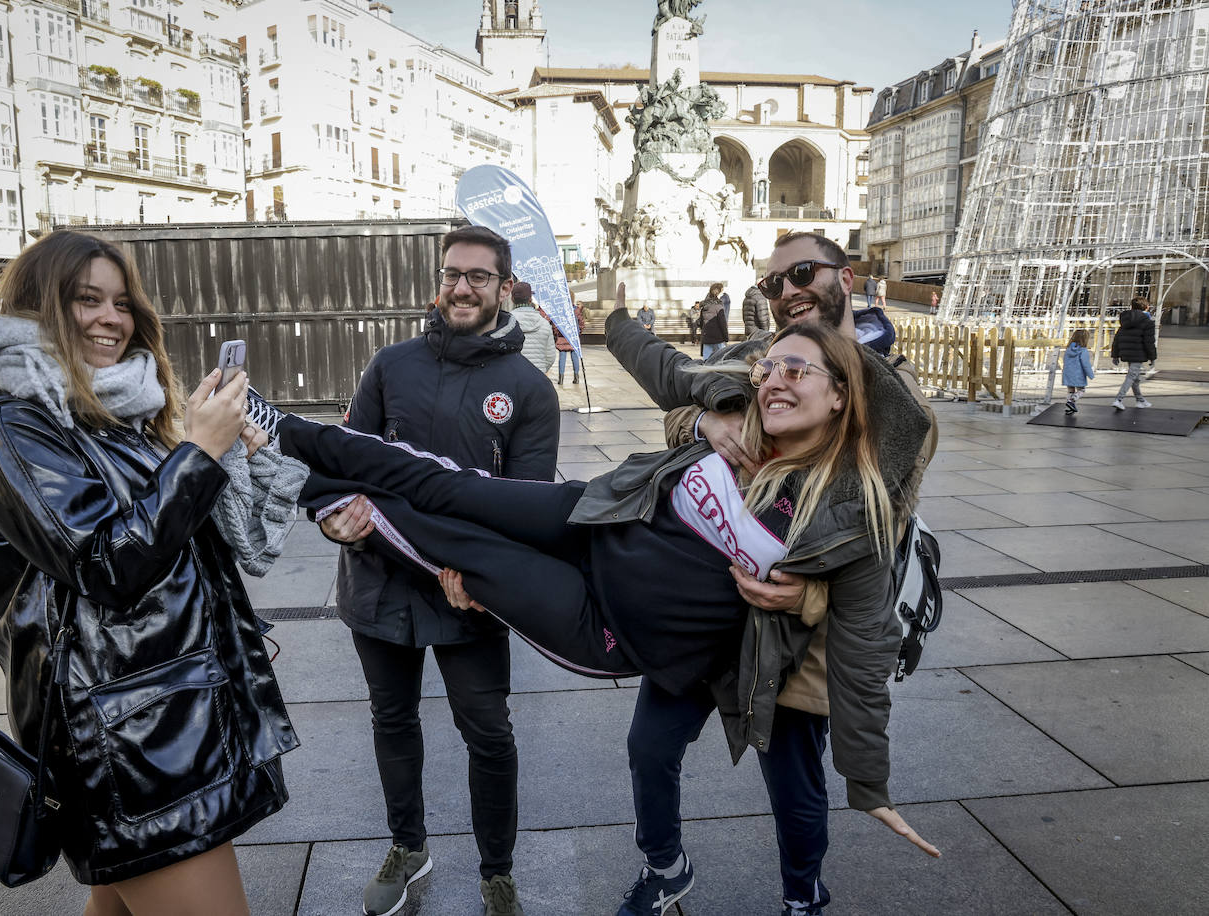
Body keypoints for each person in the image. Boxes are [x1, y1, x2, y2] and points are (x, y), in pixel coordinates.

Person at [260, 320, 938, 916]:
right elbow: (672, 375)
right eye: (768, 367)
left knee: (451, 540)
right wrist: (613, 323)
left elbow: (860, 652)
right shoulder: (740, 422)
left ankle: (289, 479)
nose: (772, 382)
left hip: (609, 625)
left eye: (797, 370)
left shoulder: (852, 512)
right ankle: (279, 432)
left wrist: (870, 785)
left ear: (843, 394)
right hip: (598, 518)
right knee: (453, 488)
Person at [0, 231, 299, 915]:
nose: (113, 319)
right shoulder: (17, 429)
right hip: (127, 743)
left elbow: (176, 551)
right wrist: (199, 449)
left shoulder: (107, 417)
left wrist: (220, 459)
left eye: (122, 303)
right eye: (87, 301)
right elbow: (108, 565)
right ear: (35, 308)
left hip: (162, 713)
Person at [606, 231, 937, 916]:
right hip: (708, 599)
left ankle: (802, 894)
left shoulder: (894, 394)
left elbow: (886, 531)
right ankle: (665, 866)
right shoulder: (755, 360)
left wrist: (812, 593)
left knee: (792, 781)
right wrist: (700, 423)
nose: (787, 292)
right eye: (773, 284)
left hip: (797, 634)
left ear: (844, 277)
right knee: (649, 745)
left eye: (802, 274)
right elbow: (676, 401)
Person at [315, 224, 558, 916]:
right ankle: (408, 847)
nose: (462, 286)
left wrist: (488, 580)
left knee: (488, 731)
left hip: (467, 597)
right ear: (438, 281)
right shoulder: (391, 364)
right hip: (377, 583)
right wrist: (333, 519)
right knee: (391, 719)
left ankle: (497, 873)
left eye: (478, 276)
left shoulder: (529, 388)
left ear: (504, 287)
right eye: (453, 273)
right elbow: (342, 462)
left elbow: (530, 508)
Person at [1111, 297, 1156, 410]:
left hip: (1126, 351)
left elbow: (1117, 337)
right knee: (1131, 376)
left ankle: (1140, 400)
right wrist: (1152, 357)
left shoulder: (1125, 319)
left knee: (1135, 377)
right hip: (1138, 352)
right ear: (1146, 307)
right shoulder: (1148, 322)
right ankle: (1119, 399)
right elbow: (1149, 342)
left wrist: (1115, 354)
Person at [509, 281, 557, 377]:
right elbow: (550, 357)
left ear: (512, 299)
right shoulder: (544, 324)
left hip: (513, 377)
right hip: (538, 377)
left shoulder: (506, 323)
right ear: (530, 299)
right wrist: (541, 369)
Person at [551, 295, 585, 385]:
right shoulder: (576, 310)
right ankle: (576, 378)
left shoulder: (560, 310)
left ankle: (561, 379)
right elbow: (581, 323)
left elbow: (555, 325)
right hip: (573, 337)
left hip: (563, 337)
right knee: (575, 357)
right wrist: (578, 333)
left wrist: (557, 333)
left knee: (562, 358)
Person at [1062, 328, 1095, 414]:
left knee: (1070, 390)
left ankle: (1069, 408)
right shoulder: (1083, 351)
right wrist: (1090, 374)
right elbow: (1085, 364)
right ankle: (1071, 401)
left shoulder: (1068, 349)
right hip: (1078, 374)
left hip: (1068, 373)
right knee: (1081, 390)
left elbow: (1064, 360)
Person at [698, 283, 729, 359]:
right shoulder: (719, 306)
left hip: (707, 337)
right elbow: (723, 324)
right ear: (718, 293)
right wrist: (726, 337)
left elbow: (701, 323)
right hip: (718, 338)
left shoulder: (704, 306)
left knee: (706, 360)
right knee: (722, 359)